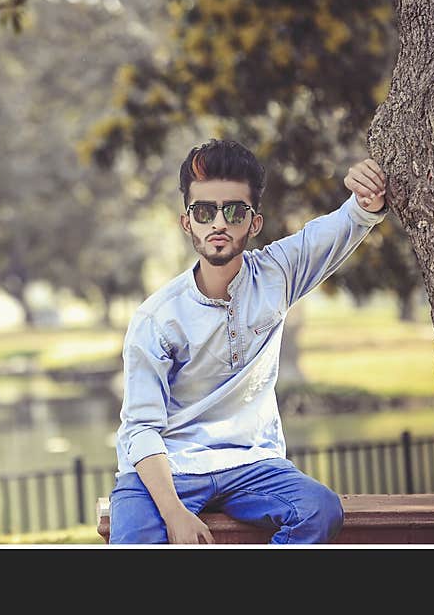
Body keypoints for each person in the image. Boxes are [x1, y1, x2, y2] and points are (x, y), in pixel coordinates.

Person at [109, 139, 388, 544]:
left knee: (319, 511)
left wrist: (367, 197)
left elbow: (345, 223)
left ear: (253, 223)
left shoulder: (277, 275)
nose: (218, 223)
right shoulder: (157, 318)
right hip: (169, 466)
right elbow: (140, 429)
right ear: (187, 222)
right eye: (204, 211)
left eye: (233, 211)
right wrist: (175, 514)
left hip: (251, 464)